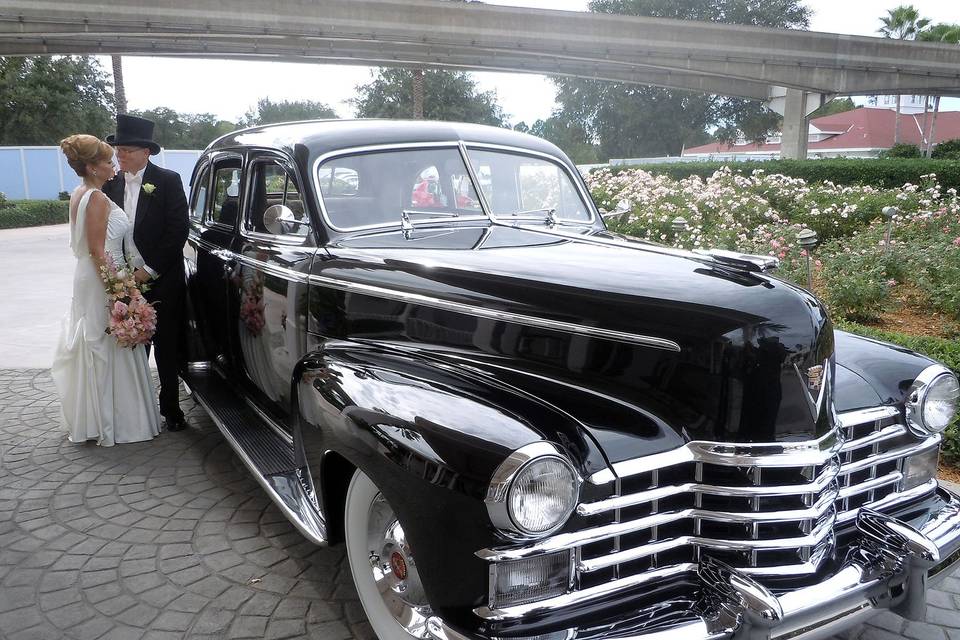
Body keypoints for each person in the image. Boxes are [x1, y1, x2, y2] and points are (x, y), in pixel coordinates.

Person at [51, 135, 162, 446]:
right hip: (103, 276)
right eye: (108, 160)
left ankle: (95, 418)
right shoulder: (97, 199)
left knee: (98, 342)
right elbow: (99, 251)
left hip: (91, 275)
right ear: (92, 167)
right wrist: (120, 291)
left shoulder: (80, 192)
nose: (114, 164)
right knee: (109, 341)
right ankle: (118, 423)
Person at [102, 114, 190, 432]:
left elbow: (178, 230)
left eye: (126, 150)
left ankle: (171, 410)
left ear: (145, 152)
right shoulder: (109, 184)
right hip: (121, 282)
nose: (119, 155)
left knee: (165, 347)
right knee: (131, 348)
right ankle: (136, 412)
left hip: (162, 279)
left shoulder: (168, 180)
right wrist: (119, 277)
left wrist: (147, 271)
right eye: (118, 149)